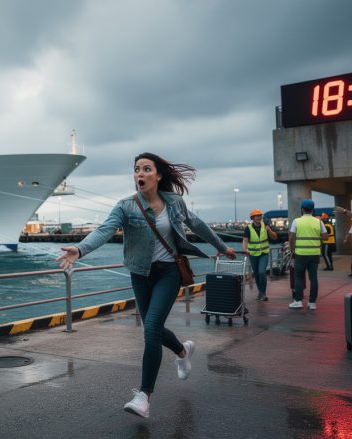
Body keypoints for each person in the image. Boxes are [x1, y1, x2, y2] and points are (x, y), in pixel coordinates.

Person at [56, 152, 237, 417]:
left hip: (169, 273)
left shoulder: (174, 202)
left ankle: (144, 396)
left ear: (158, 175)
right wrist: (80, 250)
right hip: (140, 274)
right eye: (136, 169)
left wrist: (222, 247)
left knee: (150, 329)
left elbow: (196, 225)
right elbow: (105, 231)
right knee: (155, 328)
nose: (139, 174)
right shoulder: (126, 206)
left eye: (146, 169)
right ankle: (182, 350)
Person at [288, 199, 327, 310]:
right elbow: (325, 237)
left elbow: (291, 237)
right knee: (313, 277)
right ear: (312, 210)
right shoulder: (318, 221)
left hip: (301, 254)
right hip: (314, 254)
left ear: (302, 209)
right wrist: (315, 238)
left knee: (299, 277)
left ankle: (298, 301)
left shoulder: (297, 221)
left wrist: (292, 249)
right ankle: (312, 303)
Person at [242, 209, 277, 301]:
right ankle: (260, 292)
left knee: (262, 272)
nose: (259, 217)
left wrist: (269, 231)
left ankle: (263, 293)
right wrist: (245, 249)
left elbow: (274, 237)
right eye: (257, 216)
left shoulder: (265, 226)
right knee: (257, 274)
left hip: (264, 253)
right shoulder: (248, 228)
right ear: (252, 218)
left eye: (260, 215)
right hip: (253, 254)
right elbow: (245, 240)